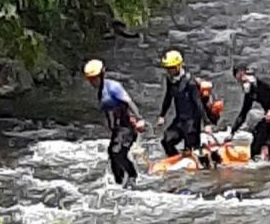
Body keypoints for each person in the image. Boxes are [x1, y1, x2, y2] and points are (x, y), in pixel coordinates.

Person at [84, 58, 146, 189]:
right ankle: (119, 183)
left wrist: (139, 119)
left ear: (102, 74)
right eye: (90, 79)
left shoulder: (113, 87)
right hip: (118, 129)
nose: (92, 82)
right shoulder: (100, 92)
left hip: (127, 127)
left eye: (95, 78)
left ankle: (133, 176)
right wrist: (111, 128)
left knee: (118, 152)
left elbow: (129, 102)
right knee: (112, 154)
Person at [225, 66, 270, 162]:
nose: (242, 81)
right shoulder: (250, 93)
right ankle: (257, 159)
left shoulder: (262, 80)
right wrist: (232, 132)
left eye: (242, 77)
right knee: (257, 139)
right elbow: (243, 114)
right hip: (269, 116)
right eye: (239, 80)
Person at [156, 50, 215, 157]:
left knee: (191, 150)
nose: (169, 71)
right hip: (179, 120)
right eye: (167, 68)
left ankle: (196, 169)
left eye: (171, 68)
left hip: (192, 122)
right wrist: (162, 115)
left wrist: (207, 124)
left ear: (178, 66)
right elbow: (168, 97)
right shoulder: (171, 80)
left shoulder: (190, 82)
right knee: (166, 140)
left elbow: (198, 103)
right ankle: (175, 162)